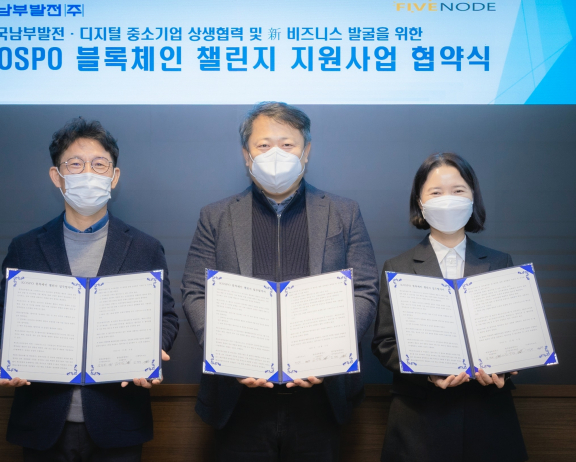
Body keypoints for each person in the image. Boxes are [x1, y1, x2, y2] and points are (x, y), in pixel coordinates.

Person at [181, 102, 379, 461]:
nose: (276, 154)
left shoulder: (344, 212)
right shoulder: (215, 216)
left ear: (306, 151)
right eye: (264, 145)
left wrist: (332, 353)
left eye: (287, 145)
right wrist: (227, 353)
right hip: (238, 400)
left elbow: (364, 289)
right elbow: (196, 292)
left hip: (321, 398)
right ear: (246, 154)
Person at [0, 117, 179, 462]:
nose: (87, 173)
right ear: (56, 176)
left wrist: (152, 351)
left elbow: (166, 317)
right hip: (43, 418)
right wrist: (8, 350)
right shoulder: (25, 247)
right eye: (75, 164)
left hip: (119, 418)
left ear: (114, 176)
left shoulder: (145, 248)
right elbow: (4, 316)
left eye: (99, 164)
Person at [372, 152, 527, 462]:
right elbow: (385, 342)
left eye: (458, 191)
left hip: (488, 417)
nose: (448, 200)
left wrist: (505, 368)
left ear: (473, 197)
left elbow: (514, 336)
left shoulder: (500, 262)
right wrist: (429, 373)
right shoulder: (398, 267)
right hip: (420, 418)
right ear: (420, 202)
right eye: (436, 192)